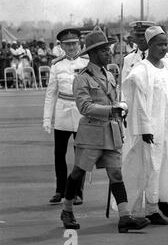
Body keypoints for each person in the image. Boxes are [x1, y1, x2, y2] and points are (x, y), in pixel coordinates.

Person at [60, 30, 149, 232]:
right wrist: (111, 110)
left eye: (108, 49)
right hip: (91, 133)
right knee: (78, 172)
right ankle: (67, 210)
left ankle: (125, 217)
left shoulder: (108, 74)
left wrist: (120, 108)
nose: (108, 53)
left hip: (111, 131)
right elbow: (84, 107)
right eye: (103, 50)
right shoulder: (81, 78)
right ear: (92, 53)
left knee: (116, 174)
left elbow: (113, 100)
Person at [122, 26, 168, 225]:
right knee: (154, 166)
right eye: (159, 44)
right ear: (149, 46)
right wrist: (145, 129)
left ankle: (163, 198)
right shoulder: (141, 70)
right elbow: (138, 103)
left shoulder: (167, 66)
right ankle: (152, 207)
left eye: (165, 44)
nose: (163, 48)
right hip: (153, 129)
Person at [44, 28, 89, 205]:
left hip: (81, 112)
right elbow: (51, 93)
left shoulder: (86, 62)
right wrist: (47, 119)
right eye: (67, 44)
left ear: (79, 44)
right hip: (62, 112)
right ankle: (59, 190)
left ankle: (77, 191)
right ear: (61, 46)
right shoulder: (57, 65)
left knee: (81, 154)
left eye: (74, 44)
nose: (71, 47)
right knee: (59, 154)